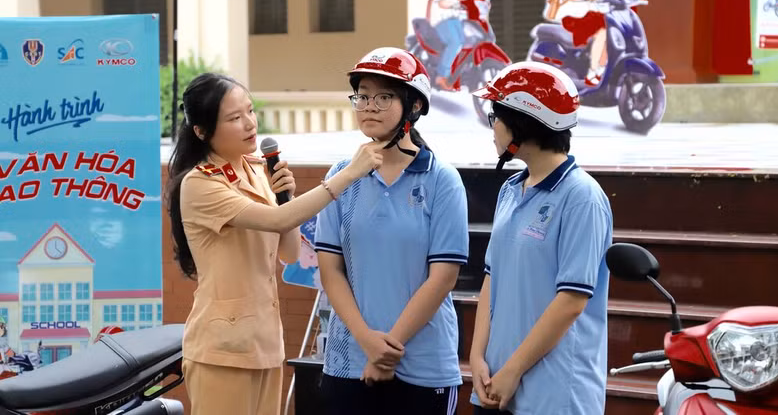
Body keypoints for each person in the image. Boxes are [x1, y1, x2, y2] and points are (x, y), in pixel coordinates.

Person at [166, 72, 383, 415]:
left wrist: (286, 198)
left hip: (264, 343)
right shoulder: (200, 184)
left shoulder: (255, 170)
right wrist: (348, 174)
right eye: (235, 118)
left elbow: (290, 252)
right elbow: (279, 221)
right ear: (202, 131)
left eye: (250, 111)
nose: (250, 123)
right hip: (223, 351)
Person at [315, 47, 469, 415]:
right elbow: (330, 270)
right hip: (348, 361)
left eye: (383, 97)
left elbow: (443, 278)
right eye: (362, 96)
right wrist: (368, 342)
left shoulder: (442, 180)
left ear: (414, 106)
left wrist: (388, 350)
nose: (368, 106)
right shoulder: (340, 177)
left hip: (424, 366)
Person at [468, 63, 613, 415]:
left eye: (495, 118)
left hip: (554, 396)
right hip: (495, 385)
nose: (492, 128)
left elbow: (571, 302)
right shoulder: (510, 190)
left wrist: (513, 370)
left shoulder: (582, 197)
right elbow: (492, 276)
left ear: (522, 124)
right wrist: (476, 357)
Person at [427, 0, 468, 90]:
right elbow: (441, 2)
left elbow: (464, 0)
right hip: (441, 21)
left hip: (453, 20)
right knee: (455, 41)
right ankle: (441, 76)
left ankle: (456, 75)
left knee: (465, 40)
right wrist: (455, 3)